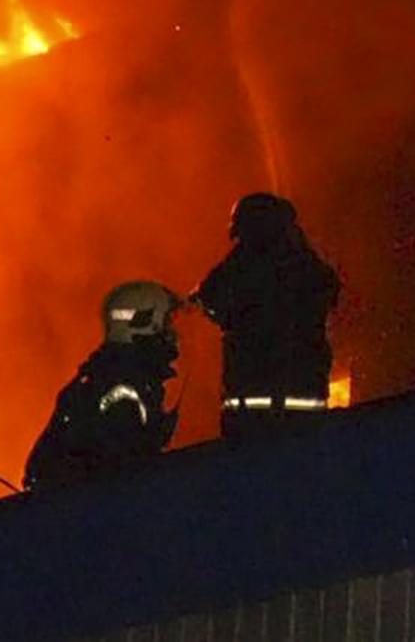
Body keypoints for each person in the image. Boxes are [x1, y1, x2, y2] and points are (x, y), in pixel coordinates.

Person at [194, 193, 340, 440]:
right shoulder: (308, 266)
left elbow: (209, 296)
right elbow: (328, 293)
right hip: (306, 411)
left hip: (251, 417)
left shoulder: (242, 264)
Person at [23, 280, 181, 492]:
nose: (172, 333)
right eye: (167, 322)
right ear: (143, 322)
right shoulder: (122, 390)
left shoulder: (110, 375)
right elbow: (124, 483)